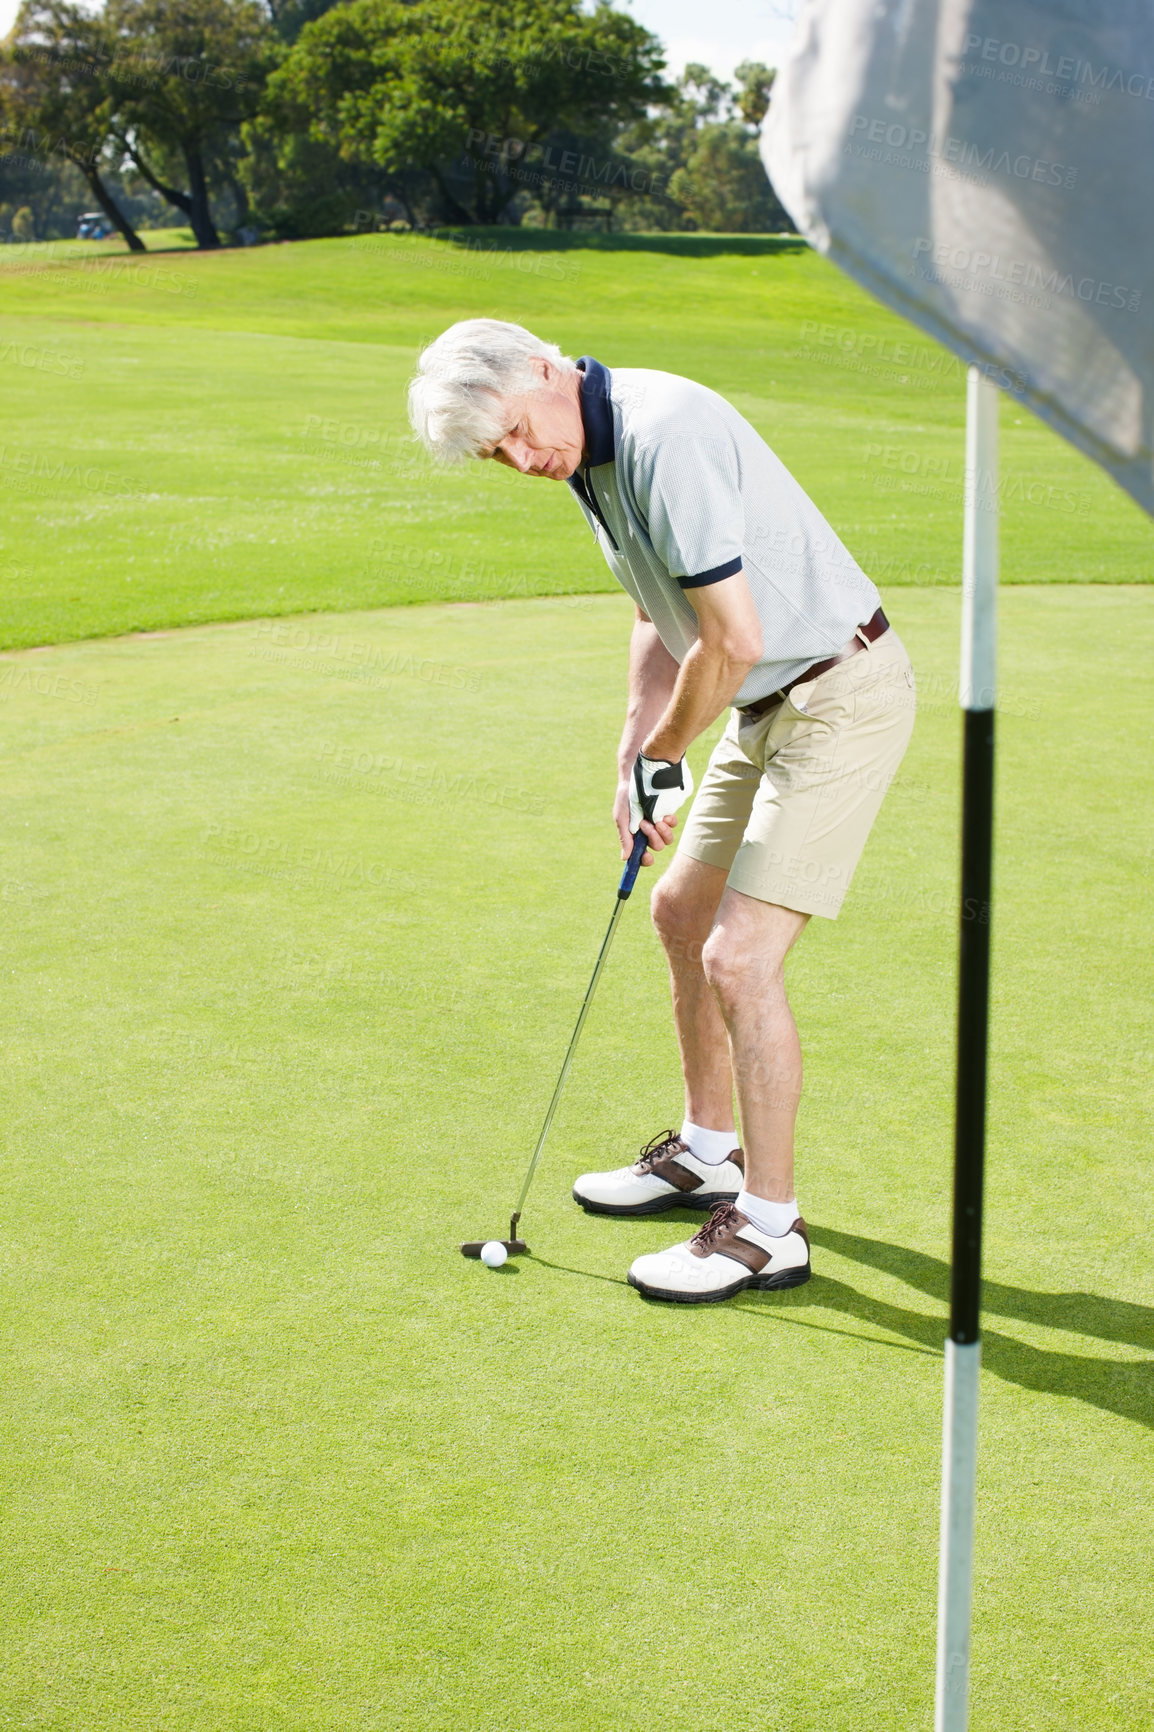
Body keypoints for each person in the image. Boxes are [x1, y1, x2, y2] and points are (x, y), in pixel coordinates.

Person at [408, 319, 916, 1305]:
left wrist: (669, 755)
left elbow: (728, 639)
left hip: (835, 694)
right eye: (495, 455)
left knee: (738, 958)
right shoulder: (586, 458)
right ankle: (706, 1152)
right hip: (762, 701)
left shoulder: (661, 429)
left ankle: (768, 1228)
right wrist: (634, 750)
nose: (520, 461)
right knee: (678, 912)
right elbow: (657, 614)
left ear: (546, 371)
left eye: (515, 431)